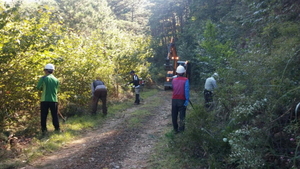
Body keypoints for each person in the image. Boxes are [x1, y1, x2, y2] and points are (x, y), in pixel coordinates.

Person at [37, 63, 60, 134]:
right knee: (55, 115)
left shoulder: (43, 79)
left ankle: (44, 130)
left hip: (44, 100)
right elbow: (57, 90)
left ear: (46, 71)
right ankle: (57, 129)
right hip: (54, 100)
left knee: (44, 115)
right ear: (53, 71)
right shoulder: (56, 80)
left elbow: (38, 87)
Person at [171, 65, 189, 133]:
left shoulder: (173, 80)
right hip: (182, 99)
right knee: (182, 116)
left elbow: (173, 88)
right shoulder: (186, 80)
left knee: (174, 115)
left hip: (174, 99)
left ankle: (175, 129)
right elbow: (186, 90)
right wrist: (186, 100)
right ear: (184, 72)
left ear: (177, 72)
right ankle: (181, 130)